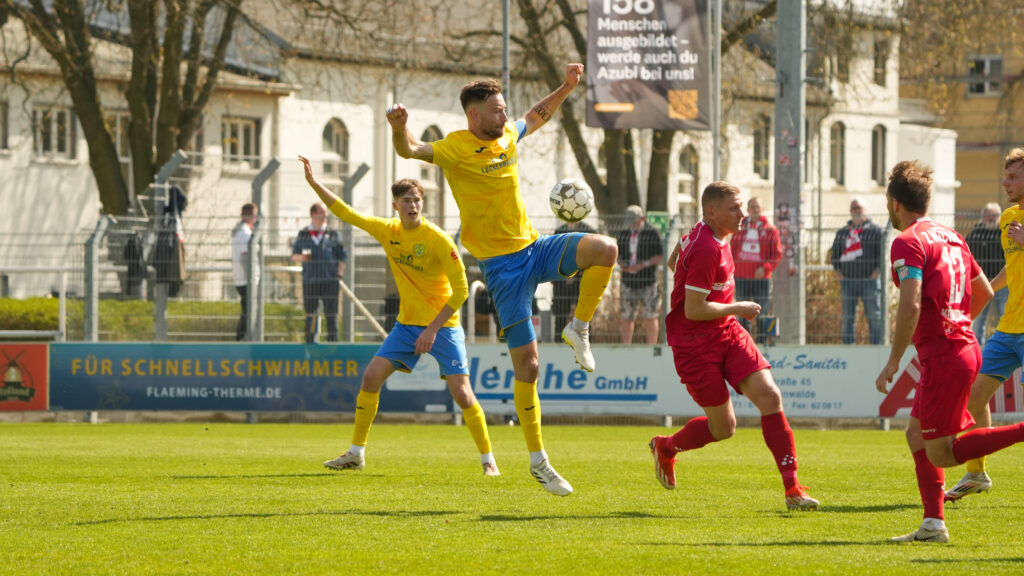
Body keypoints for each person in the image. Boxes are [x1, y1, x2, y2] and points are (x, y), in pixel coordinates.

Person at [386, 63, 618, 496]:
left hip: (534, 248)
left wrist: (567, 86)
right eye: (496, 111)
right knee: (528, 366)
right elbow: (410, 150)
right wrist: (400, 128)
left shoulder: (508, 133)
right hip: (503, 270)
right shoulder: (455, 148)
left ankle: (578, 327)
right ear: (474, 115)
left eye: (504, 109)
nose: (503, 116)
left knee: (605, 248)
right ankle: (539, 461)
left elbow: (536, 115)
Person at [299, 157, 500, 476]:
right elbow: (346, 213)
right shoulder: (387, 230)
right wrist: (314, 183)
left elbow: (461, 291)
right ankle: (356, 453)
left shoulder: (438, 240)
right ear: (396, 205)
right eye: (407, 200)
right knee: (370, 377)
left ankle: (488, 459)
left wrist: (432, 330)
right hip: (407, 325)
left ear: (424, 204)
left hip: (443, 325)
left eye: (417, 200)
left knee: (462, 393)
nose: (413, 205)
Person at [875, 160, 1024, 543]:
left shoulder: (908, 241)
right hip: (963, 347)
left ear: (894, 203)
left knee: (940, 452)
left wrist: (893, 360)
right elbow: (985, 293)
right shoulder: (952, 235)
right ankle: (932, 524)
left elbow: (909, 306)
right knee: (915, 434)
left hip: (945, 355)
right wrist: (957, 324)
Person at [651, 181, 819, 511]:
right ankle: (666, 447)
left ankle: (793, 489)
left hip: (726, 333)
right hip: (695, 345)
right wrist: (736, 307)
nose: (742, 214)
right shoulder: (706, 248)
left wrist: (695, 286)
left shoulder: (706, 234)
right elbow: (693, 310)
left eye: (742, 206)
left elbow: (674, 261)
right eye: (734, 208)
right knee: (724, 428)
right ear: (711, 212)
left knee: (770, 396)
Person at [944, 148, 1024, 502]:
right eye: (1005, 176)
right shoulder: (1008, 217)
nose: (1005, 183)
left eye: (1013, 177)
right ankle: (976, 473)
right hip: (1008, 329)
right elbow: (1014, 265)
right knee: (974, 393)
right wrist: (988, 290)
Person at [291, 202, 347, 343]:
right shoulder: (304, 234)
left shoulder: (333, 234)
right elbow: (294, 255)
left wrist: (339, 275)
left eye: (326, 213)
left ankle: (333, 345)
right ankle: (311, 344)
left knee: (331, 314)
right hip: (310, 281)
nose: (325, 216)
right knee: (311, 314)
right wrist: (304, 257)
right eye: (322, 213)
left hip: (330, 282)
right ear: (313, 215)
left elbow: (342, 256)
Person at [830, 198, 884, 344]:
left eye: (859, 208)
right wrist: (839, 272)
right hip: (848, 281)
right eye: (853, 208)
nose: (856, 210)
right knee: (848, 317)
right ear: (850, 212)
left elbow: (883, 255)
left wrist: (877, 271)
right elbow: (834, 255)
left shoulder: (876, 231)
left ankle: (877, 346)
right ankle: (848, 347)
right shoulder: (842, 233)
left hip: (870, 281)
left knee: (874, 316)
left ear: (865, 210)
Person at [729, 197, 781, 343]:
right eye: (752, 207)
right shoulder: (740, 229)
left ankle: (762, 343)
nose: (755, 210)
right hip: (741, 277)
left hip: (761, 279)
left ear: (762, 209)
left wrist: (765, 269)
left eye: (757, 207)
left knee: (762, 312)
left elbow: (776, 255)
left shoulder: (771, 230)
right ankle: (743, 343)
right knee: (742, 312)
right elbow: (732, 250)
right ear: (748, 210)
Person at [616, 205, 664, 344]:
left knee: (651, 316)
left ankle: (652, 348)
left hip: (648, 281)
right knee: (626, 317)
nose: (631, 225)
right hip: (628, 281)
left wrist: (644, 264)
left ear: (642, 218)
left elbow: (660, 256)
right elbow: (617, 254)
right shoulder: (624, 232)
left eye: (634, 221)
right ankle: (626, 347)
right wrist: (623, 264)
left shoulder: (652, 233)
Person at [965, 202, 1007, 345]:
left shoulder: (1004, 235)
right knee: (979, 317)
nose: (991, 218)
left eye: (994, 215)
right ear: (983, 217)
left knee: (1004, 314)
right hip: (981, 282)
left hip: (1002, 282)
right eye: (988, 215)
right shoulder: (975, 235)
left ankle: (1005, 344)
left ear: (999, 217)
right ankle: (977, 346)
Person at [552, 219, 595, 335]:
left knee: (584, 314)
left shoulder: (589, 232)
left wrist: (576, 272)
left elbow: (592, 256)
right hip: (562, 280)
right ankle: (558, 341)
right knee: (560, 312)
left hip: (581, 280)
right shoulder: (559, 232)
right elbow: (554, 255)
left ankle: (586, 340)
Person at [231, 203, 258, 341]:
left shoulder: (237, 231)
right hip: (247, 280)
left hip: (241, 278)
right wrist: (252, 280)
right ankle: (242, 339)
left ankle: (243, 338)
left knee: (246, 311)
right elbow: (244, 258)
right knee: (248, 312)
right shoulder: (245, 234)